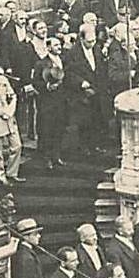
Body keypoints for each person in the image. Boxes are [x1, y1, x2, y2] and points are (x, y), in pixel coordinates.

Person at [63, 24, 106, 156]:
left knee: (97, 119)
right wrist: (81, 82)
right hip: (82, 93)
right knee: (85, 121)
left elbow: (101, 68)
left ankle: (95, 145)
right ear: (81, 39)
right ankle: (84, 147)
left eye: (94, 41)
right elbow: (69, 73)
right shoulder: (73, 53)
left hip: (97, 89)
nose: (92, 44)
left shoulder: (97, 49)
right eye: (89, 41)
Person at [33, 37, 67, 170]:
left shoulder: (63, 60)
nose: (59, 47)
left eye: (60, 44)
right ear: (48, 48)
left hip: (61, 101)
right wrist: (47, 86)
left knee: (59, 128)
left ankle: (56, 156)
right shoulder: (41, 64)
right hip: (47, 104)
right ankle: (46, 158)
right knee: (47, 130)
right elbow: (35, 82)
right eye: (56, 45)